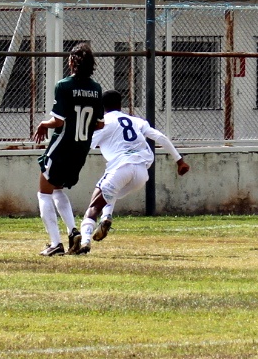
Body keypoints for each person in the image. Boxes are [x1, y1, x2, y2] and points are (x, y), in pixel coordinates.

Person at [77, 91, 189, 250]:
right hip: (142, 174)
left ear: (102, 106)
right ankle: (106, 217)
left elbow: (84, 146)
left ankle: (85, 241)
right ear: (120, 104)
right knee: (111, 191)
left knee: (94, 204)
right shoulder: (136, 120)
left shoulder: (102, 123)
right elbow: (160, 137)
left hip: (122, 168)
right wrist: (179, 161)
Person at [32, 42, 105, 256]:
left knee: (44, 192)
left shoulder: (64, 85)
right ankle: (73, 232)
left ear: (72, 61)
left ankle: (55, 244)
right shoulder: (96, 88)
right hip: (80, 149)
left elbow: (59, 121)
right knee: (57, 189)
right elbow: (100, 124)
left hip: (62, 146)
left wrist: (43, 124)